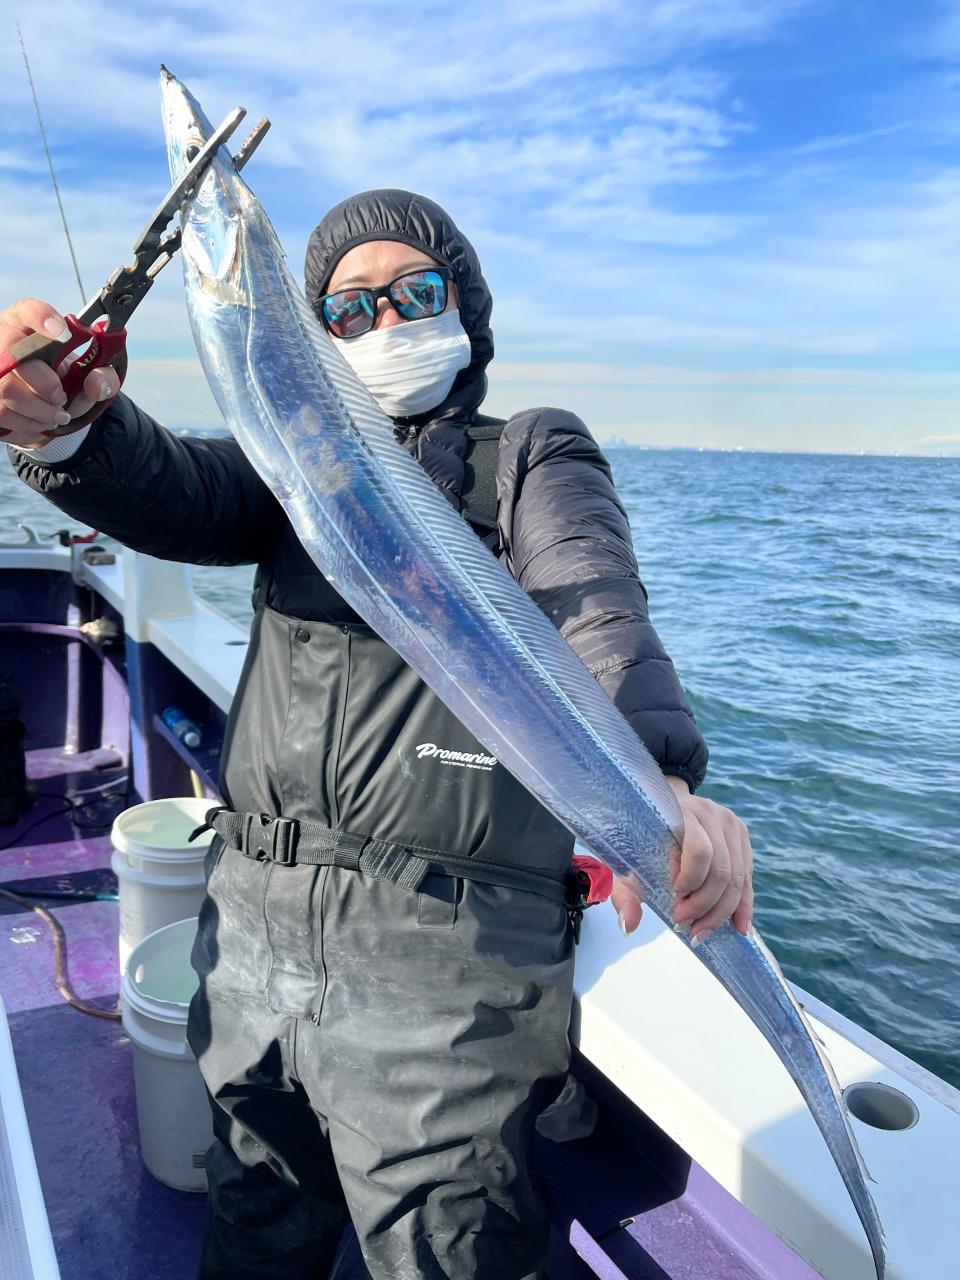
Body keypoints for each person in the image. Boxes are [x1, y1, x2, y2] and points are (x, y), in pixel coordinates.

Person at [1, 189, 753, 1280]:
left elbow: (593, 605)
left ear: (466, 305)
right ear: (318, 340)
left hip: (449, 971)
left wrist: (661, 783)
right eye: (349, 309)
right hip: (251, 941)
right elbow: (175, 488)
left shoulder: (528, 454)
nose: (386, 320)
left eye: (416, 291)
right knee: (252, 1221)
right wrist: (70, 427)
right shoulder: (294, 465)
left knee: (449, 1248)